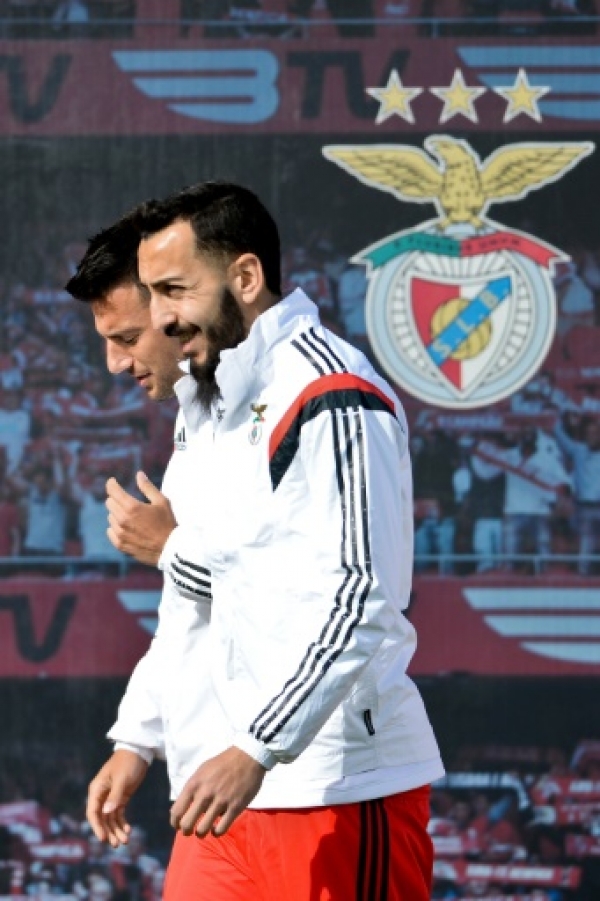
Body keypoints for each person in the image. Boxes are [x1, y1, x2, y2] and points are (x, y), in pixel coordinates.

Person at [99, 181, 443, 900]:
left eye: (172, 290)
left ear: (246, 277)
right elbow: (195, 602)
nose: (159, 317)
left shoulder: (334, 395)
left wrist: (257, 744)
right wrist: (140, 735)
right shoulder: (207, 401)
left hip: (335, 786)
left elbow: (360, 598)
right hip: (221, 795)